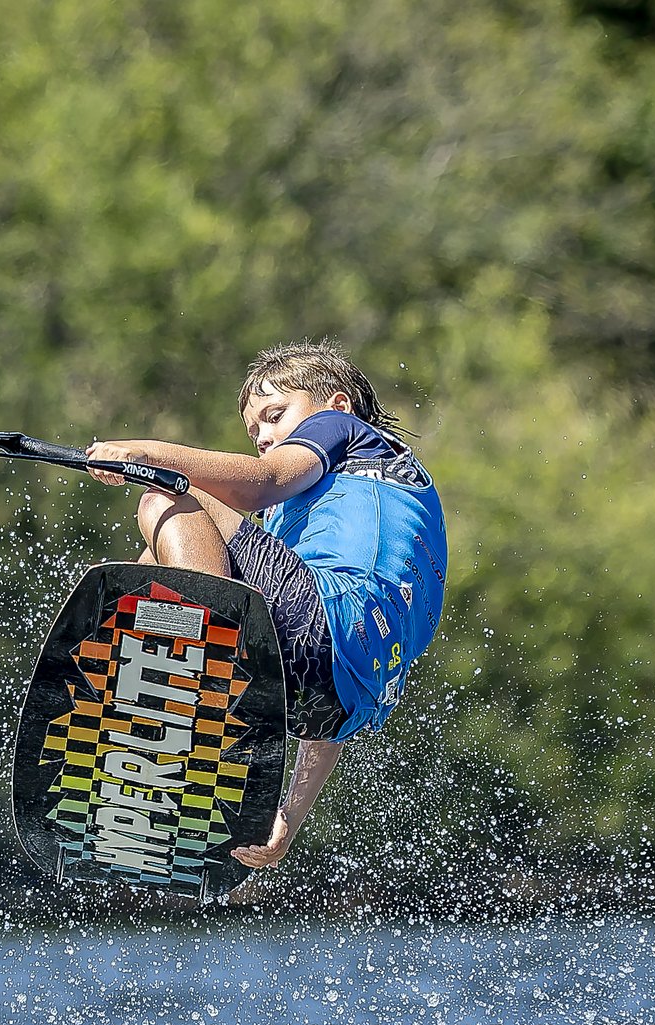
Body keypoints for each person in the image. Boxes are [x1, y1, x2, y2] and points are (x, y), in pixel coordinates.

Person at [84, 341, 448, 888]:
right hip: (335, 692)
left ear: (337, 404)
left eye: (275, 416)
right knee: (174, 548)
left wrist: (143, 454)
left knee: (163, 499)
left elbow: (265, 481)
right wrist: (288, 818)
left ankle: (180, 680)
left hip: (321, 624)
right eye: (253, 430)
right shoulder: (313, 529)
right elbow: (328, 693)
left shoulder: (344, 430)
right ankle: (165, 673)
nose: (262, 437)